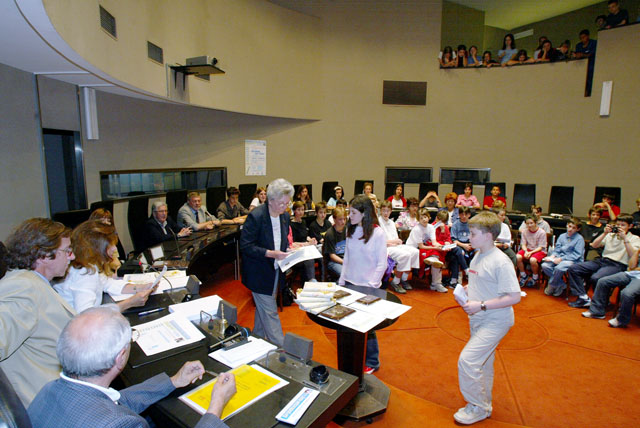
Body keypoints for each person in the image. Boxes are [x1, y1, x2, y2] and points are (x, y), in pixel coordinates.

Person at [27, 306, 235, 428]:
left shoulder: (48, 391)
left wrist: (173, 381)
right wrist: (216, 406)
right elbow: (113, 413)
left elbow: (113, 402)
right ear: (120, 358)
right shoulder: (118, 424)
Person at [453, 211, 521, 425]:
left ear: (488, 235)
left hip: (495, 320)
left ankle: (478, 406)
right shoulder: (478, 254)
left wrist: (480, 304)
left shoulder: (500, 261)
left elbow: (514, 296)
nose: (469, 237)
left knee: (467, 360)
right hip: (478, 318)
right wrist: (467, 289)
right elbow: (482, 281)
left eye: (473, 234)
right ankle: (484, 404)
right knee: (483, 364)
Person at [0, 218, 76, 407]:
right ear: (43, 255)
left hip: (60, 392)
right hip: (47, 403)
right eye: (67, 251)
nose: (72, 257)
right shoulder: (23, 286)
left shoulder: (34, 283)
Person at [54, 220, 155, 313]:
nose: (115, 249)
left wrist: (141, 287)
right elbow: (86, 314)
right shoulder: (84, 273)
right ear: (95, 247)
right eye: (110, 245)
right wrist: (129, 303)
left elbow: (107, 283)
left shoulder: (89, 264)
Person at [239, 178, 294, 346]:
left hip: (276, 269)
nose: (285, 207)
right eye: (282, 203)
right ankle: (282, 350)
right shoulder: (256, 216)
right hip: (259, 271)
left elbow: (282, 241)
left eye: (287, 203)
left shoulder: (284, 216)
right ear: (270, 200)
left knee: (263, 310)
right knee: (270, 313)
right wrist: (270, 254)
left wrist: (292, 249)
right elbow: (245, 246)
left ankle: (256, 341)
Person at [338, 195, 387, 374]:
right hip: (349, 283)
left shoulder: (378, 233)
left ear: (364, 213)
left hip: (367, 286)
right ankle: (353, 356)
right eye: (349, 212)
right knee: (349, 322)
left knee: (368, 326)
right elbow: (347, 257)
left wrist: (371, 285)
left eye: (353, 212)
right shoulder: (350, 230)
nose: (349, 216)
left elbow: (382, 263)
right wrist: (342, 280)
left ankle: (372, 361)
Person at [566, 215, 640, 308]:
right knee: (574, 268)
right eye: (617, 225)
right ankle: (583, 297)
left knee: (596, 277)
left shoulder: (635, 238)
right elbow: (594, 245)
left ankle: (602, 302)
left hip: (618, 264)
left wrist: (625, 238)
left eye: (623, 225)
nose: (619, 227)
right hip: (603, 260)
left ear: (630, 226)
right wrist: (604, 233)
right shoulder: (611, 235)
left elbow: (633, 254)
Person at [582, 248, 640, 328]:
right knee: (603, 281)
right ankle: (597, 311)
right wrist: (637, 252)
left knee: (627, 293)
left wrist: (636, 269)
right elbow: (632, 266)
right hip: (632, 274)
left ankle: (622, 320)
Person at [378, 200, 419, 294]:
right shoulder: (378, 222)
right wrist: (394, 242)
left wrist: (397, 242)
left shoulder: (392, 223)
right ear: (380, 211)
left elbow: (396, 238)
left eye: (388, 211)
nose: (386, 213)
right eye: (384, 210)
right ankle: (396, 281)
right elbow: (379, 241)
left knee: (415, 252)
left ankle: (404, 279)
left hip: (394, 245)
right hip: (385, 247)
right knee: (405, 255)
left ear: (391, 211)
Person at [541, 218, 585, 297]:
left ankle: (552, 285)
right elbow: (557, 249)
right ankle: (561, 284)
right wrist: (552, 256)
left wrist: (561, 259)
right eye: (569, 226)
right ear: (567, 225)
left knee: (559, 268)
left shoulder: (579, 239)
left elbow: (577, 255)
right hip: (560, 257)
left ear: (578, 229)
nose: (570, 229)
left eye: (573, 228)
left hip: (573, 260)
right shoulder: (562, 236)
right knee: (545, 265)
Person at [516, 214, 548, 288]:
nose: (529, 225)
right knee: (517, 257)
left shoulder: (542, 232)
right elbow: (523, 244)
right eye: (527, 223)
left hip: (539, 250)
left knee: (532, 260)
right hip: (528, 249)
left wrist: (530, 253)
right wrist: (526, 251)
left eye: (531, 223)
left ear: (535, 223)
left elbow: (541, 247)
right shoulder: (524, 231)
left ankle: (535, 277)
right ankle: (524, 275)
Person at [289, 201, 317, 282]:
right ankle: (312, 281)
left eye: (302, 210)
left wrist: (311, 240)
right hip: (297, 250)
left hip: (306, 247)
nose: (301, 212)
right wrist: (307, 244)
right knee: (310, 259)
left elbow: (305, 236)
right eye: (299, 210)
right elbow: (293, 243)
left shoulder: (303, 222)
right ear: (294, 211)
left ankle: (322, 279)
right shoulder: (291, 224)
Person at [448, 206, 473, 286]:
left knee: (479, 251)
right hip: (459, 244)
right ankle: (466, 269)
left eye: (466, 214)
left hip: (470, 244)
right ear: (459, 215)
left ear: (469, 215)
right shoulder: (455, 224)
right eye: (462, 214)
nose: (464, 216)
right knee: (458, 252)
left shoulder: (472, 224)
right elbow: (454, 240)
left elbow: (476, 237)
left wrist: (471, 245)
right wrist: (464, 245)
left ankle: (475, 275)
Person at [323, 206, 347, 278]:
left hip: (345, 258)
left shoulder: (347, 230)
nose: (343, 222)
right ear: (334, 219)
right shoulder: (330, 234)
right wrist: (345, 262)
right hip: (334, 262)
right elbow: (332, 256)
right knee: (345, 274)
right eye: (340, 219)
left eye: (344, 219)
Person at [572, 29, 597, 96]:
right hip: (582, 67)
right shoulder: (578, 45)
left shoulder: (593, 43)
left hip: (591, 66)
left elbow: (591, 54)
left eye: (583, 37)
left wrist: (582, 55)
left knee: (590, 83)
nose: (582, 39)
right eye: (581, 38)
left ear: (588, 36)